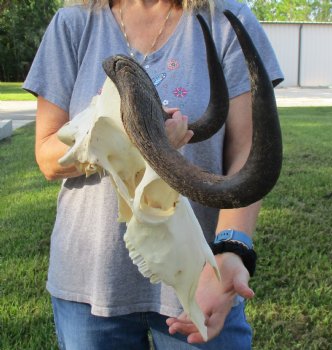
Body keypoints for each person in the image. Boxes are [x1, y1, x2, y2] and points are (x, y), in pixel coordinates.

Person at [23, 0, 283, 349]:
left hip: (198, 281)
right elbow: (48, 156)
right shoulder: (74, 23)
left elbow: (247, 153)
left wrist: (230, 250)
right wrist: (132, 135)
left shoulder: (224, 19)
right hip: (90, 284)